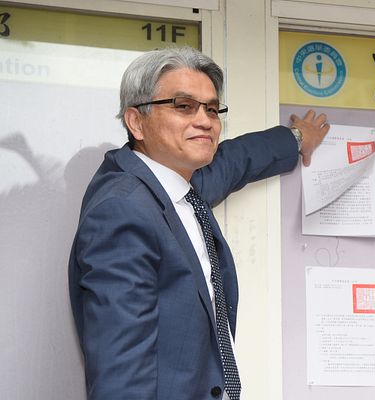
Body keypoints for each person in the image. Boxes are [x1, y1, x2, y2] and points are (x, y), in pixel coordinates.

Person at [68, 46, 329, 400]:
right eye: (184, 106)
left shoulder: (177, 184)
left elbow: (235, 161)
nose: (205, 120)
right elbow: (121, 374)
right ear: (136, 121)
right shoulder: (123, 209)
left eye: (211, 109)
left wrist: (296, 138)